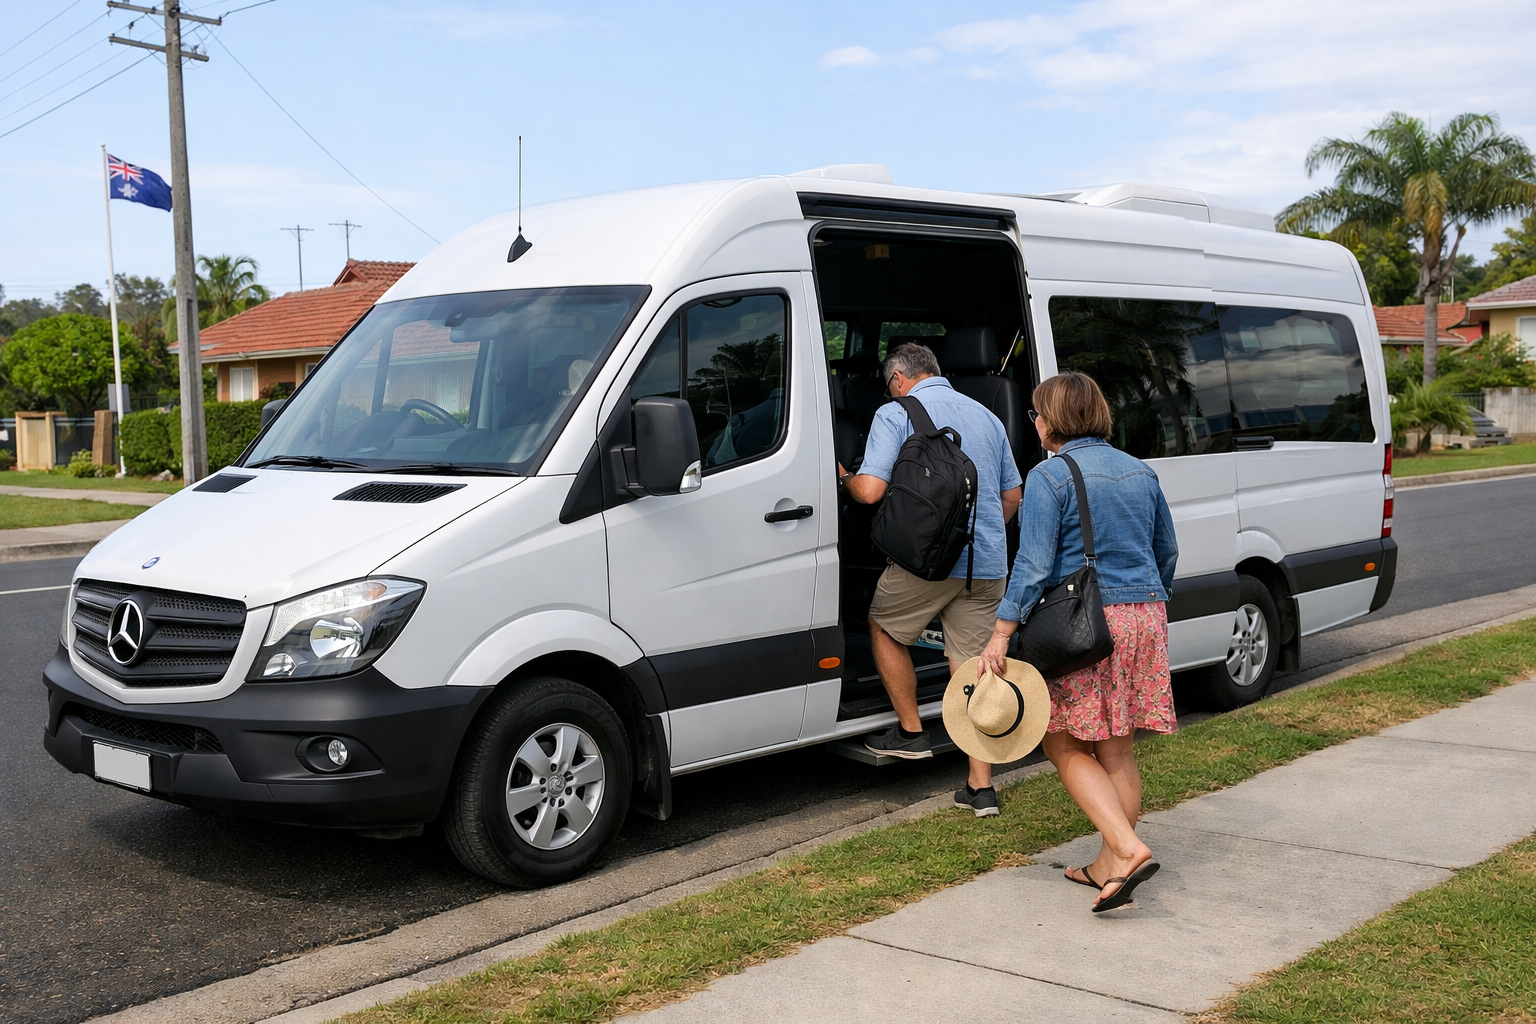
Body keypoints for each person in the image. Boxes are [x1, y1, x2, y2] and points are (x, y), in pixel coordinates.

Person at [977, 371, 1178, 912]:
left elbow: (1036, 563)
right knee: (1116, 746)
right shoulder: (1140, 471)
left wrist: (1002, 632)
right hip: (1145, 616)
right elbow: (1168, 552)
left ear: (1056, 420)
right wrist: (1145, 605)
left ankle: (1126, 847)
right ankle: (1110, 865)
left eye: (1039, 413)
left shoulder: (1051, 476)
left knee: (1062, 741)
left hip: (1089, 625)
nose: (1035, 422)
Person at [839, 342, 1023, 817]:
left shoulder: (894, 412)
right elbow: (1012, 496)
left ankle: (912, 732)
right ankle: (980, 790)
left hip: (925, 564)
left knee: (882, 624)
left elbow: (871, 490)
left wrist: (843, 476)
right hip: (986, 564)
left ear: (899, 379)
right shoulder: (987, 415)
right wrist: (976, 533)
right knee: (974, 667)